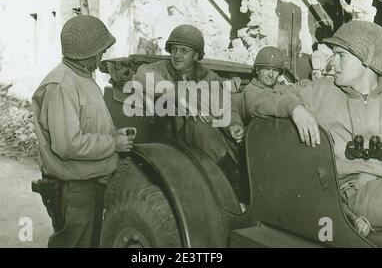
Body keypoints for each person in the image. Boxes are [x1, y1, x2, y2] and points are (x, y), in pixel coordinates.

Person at [251, 20, 382, 228]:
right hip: (351, 194)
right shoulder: (319, 91)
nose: (332, 62)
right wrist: (294, 108)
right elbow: (259, 99)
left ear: (366, 58)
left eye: (341, 55)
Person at [31, 15, 135, 248]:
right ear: (86, 53)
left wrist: (115, 133)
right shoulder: (61, 86)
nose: (102, 56)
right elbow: (67, 144)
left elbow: (88, 122)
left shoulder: (81, 77)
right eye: (100, 51)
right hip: (74, 187)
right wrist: (113, 145)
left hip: (87, 181)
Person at [132, 24, 244, 200]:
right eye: (174, 49)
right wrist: (176, 93)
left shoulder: (209, 77)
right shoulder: (161, 68)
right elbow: (140, 76)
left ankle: (232, 184)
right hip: (174, 139)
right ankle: (229, 184)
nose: (177, 55)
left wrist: (234, 125)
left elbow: (226, 107)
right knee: (199, 126)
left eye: (184, 50)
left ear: (196, 55)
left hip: (210, 140)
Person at [228, 46, 287, 144]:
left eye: (275, 70)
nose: (270, 74)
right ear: (257, 70)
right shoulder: (250, 91)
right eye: (266, 69)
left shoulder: (281, 88)